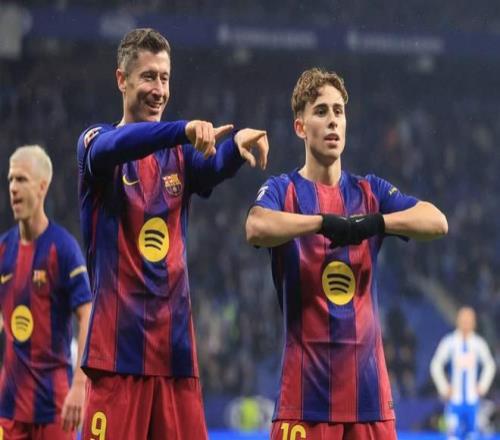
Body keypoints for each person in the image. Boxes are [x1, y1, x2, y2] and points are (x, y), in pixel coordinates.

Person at [76, 28, 269, 439]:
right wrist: (182, 129)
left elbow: (211, 167)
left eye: (164, 78)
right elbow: (113, 148)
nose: (159, 90)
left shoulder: (179, 157)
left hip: (175, 356)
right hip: (117, 355)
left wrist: (235, 148)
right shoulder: (95, 142)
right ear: (121, 80)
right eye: (148, 77)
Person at [245, 67, 448, 440]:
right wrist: (322, 223)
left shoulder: (370, 191)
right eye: (321, 111)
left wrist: (374, 223)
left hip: (369, 399)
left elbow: (436, 221)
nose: (333, 121)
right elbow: (256, 227)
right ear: (300, 127)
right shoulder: (282, 189)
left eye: (338, 111)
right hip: (304, 400)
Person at [0, 145, 92, 439]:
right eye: (10, 179)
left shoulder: (62, 249)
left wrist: (80, 385)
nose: (13, 188)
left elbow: (88, 315)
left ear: (42, 187)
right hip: (9, 407)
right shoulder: (3, 249)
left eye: (21, 179)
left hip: (54, 408)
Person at [430, 306, 496, 440]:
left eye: (469, 319)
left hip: (472, 400)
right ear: (458, 321)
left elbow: (490, 365)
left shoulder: (478, 343)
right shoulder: (449, 342)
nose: (466, 322)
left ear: (474, 322)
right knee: (453, 435)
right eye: (463, 319)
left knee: (472, 434)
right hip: (455, 400)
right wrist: (444, 387)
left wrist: (482, 386)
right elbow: (436, 365)